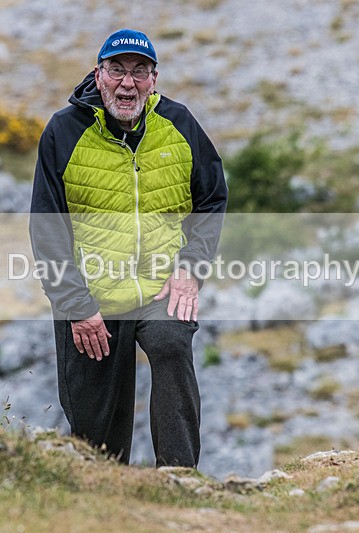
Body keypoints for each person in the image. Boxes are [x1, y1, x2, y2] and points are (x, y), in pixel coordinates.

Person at [29, 28, 227, 468]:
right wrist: (76, 305)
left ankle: (179, 479)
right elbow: (47, 228)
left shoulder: (179, 124)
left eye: (139, 72)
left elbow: (213, 198)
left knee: (171, 346)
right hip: (92, 294)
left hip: (160, 287)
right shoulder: (64, 131)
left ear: (153, 80)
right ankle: (104, 492)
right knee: (97, 438)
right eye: (116, 70)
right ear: (98, 75)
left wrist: (191, 267)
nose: (127, 82)